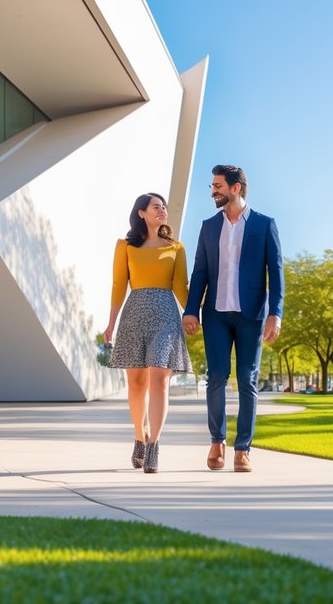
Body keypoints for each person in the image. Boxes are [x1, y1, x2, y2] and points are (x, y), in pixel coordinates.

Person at [182, 165, 284, 473]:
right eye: (212, 186)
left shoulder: (265, 225)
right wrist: (190, 310)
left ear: (235, 188)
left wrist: (275, 314)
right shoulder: (208, 226)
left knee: (247, 380)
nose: (213, 191)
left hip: (251, 315)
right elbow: (199, 272)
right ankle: (217, 442)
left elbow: (276, 274)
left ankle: (243, 449)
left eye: (217, 185)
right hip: (215, 314)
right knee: (216, 377)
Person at [104, 192, 192, 474]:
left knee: (160, 379)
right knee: (137, 384)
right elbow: (119, 284)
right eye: (157, 206)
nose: (163, 210)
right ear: (142, 212)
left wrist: (194, 312)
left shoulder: (176, 247)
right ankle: (139, 436)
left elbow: (181, 286)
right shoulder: (126, 246)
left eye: (164, 206)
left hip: (166, 315)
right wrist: (111, 323)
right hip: (134, 314)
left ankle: (154, 444)